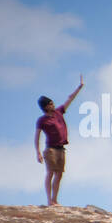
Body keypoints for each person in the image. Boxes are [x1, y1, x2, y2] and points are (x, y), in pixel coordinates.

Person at [34, 75, 83, 206]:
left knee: (59, 174)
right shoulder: (42, 120)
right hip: (50, 149)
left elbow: (70, 99)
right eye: (50, 103)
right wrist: (38, 152)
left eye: (52, 103)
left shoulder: (59, 112)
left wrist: (79, 88)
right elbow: (37, 136)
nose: (53, 104)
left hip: (61, 148)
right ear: (45, 107)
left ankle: (55, 200)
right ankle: (49, 200)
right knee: (50, 172)